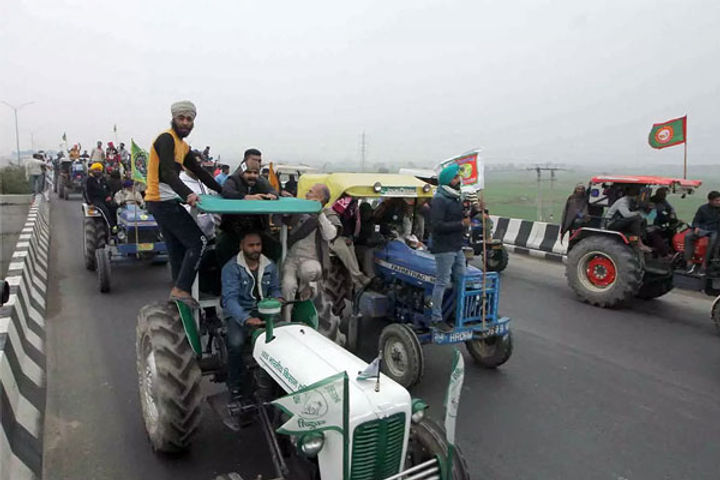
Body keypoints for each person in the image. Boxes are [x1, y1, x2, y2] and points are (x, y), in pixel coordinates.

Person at [144, 100, 222, 308]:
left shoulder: (183, 146)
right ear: (174, 118)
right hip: (161, 201)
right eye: (182, 118)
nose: (185, 123)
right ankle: (181, 290)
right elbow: (169, 173)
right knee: (199, 243)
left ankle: (177, 292)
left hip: (165, 201)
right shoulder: (166, 140)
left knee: (177, 248)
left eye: (189, 119)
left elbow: (200, 171)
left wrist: (226, 192)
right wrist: (189, 194)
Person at [221, 231, 283, 406]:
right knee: (236, 343)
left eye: (258, 245)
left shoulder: (269, 265)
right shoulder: (231, 268)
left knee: (283, 340)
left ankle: (275, 383)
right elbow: (229, 300)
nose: (255, 249)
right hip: (239, 313)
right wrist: (246, 319)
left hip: (263, 311)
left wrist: (278, 297)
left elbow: (275, 289)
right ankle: (235, 386)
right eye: (251, 245)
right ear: (242, 246)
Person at [282, 183, 340, 314]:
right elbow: (282, 219)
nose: (307, 194)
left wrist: (318, 212)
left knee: (308, 271)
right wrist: (286, 200)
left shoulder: (327, 214)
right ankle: (286, 318)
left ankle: (306, 290)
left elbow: (330, 234)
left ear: (320, 198)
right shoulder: (299, 209)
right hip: (291, 260)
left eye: (310, 192)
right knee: (287, 286)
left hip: (311, 259)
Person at [429, 164, 468, 332]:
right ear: (448, 180)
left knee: (462, 280)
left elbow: (462, 219)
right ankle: (436, 318)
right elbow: (436, 226)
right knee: (442, 282)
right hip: (444, 248)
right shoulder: (439, 199)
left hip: (457, 246)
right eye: (455, 177)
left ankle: (455, 313)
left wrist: (474, 212)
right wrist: (460, 224)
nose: (458, 180)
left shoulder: (454, 198)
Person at [329, 194, 369, 290]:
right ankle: (358, 276)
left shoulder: (354, 206)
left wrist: (351, 237)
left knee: (352, 253)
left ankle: (357, 283)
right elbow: (334, 219)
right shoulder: (339, 203)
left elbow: (356, 222)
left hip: (345, 236)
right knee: (344, 252)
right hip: (333, 236)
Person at [604, 187, 652, 252]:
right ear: (635, 195)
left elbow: (636, 211)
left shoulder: (630, 201)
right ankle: (639, 244)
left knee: (643, 220)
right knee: (636, 218)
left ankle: (642, 240)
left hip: (620, 221)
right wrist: (637, 213)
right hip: (611, 222)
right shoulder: (623, 201)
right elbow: (626, 214)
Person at [684, 191, 720, 274]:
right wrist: (696, 227)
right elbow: (696, 221)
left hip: (714, 229)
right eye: (717, 200)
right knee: (688, 236)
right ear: (710, 200)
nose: (719, 202)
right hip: (703, 228)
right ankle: (689, 262)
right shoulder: (702, 208)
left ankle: (704, 264)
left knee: (713, 240)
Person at [85, 163, 117, 228]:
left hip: (105, 199)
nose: (97, 171)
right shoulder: (90, 180)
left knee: (114, 207)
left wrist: (109, 196)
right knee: (104, 210)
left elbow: (108, 189)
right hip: (95, 200)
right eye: (96, 170)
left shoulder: (103, 180)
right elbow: (86, 192)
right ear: (92, 170)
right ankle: (111, 226)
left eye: (99, 170)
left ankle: (117, 224)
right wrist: (90, 202)